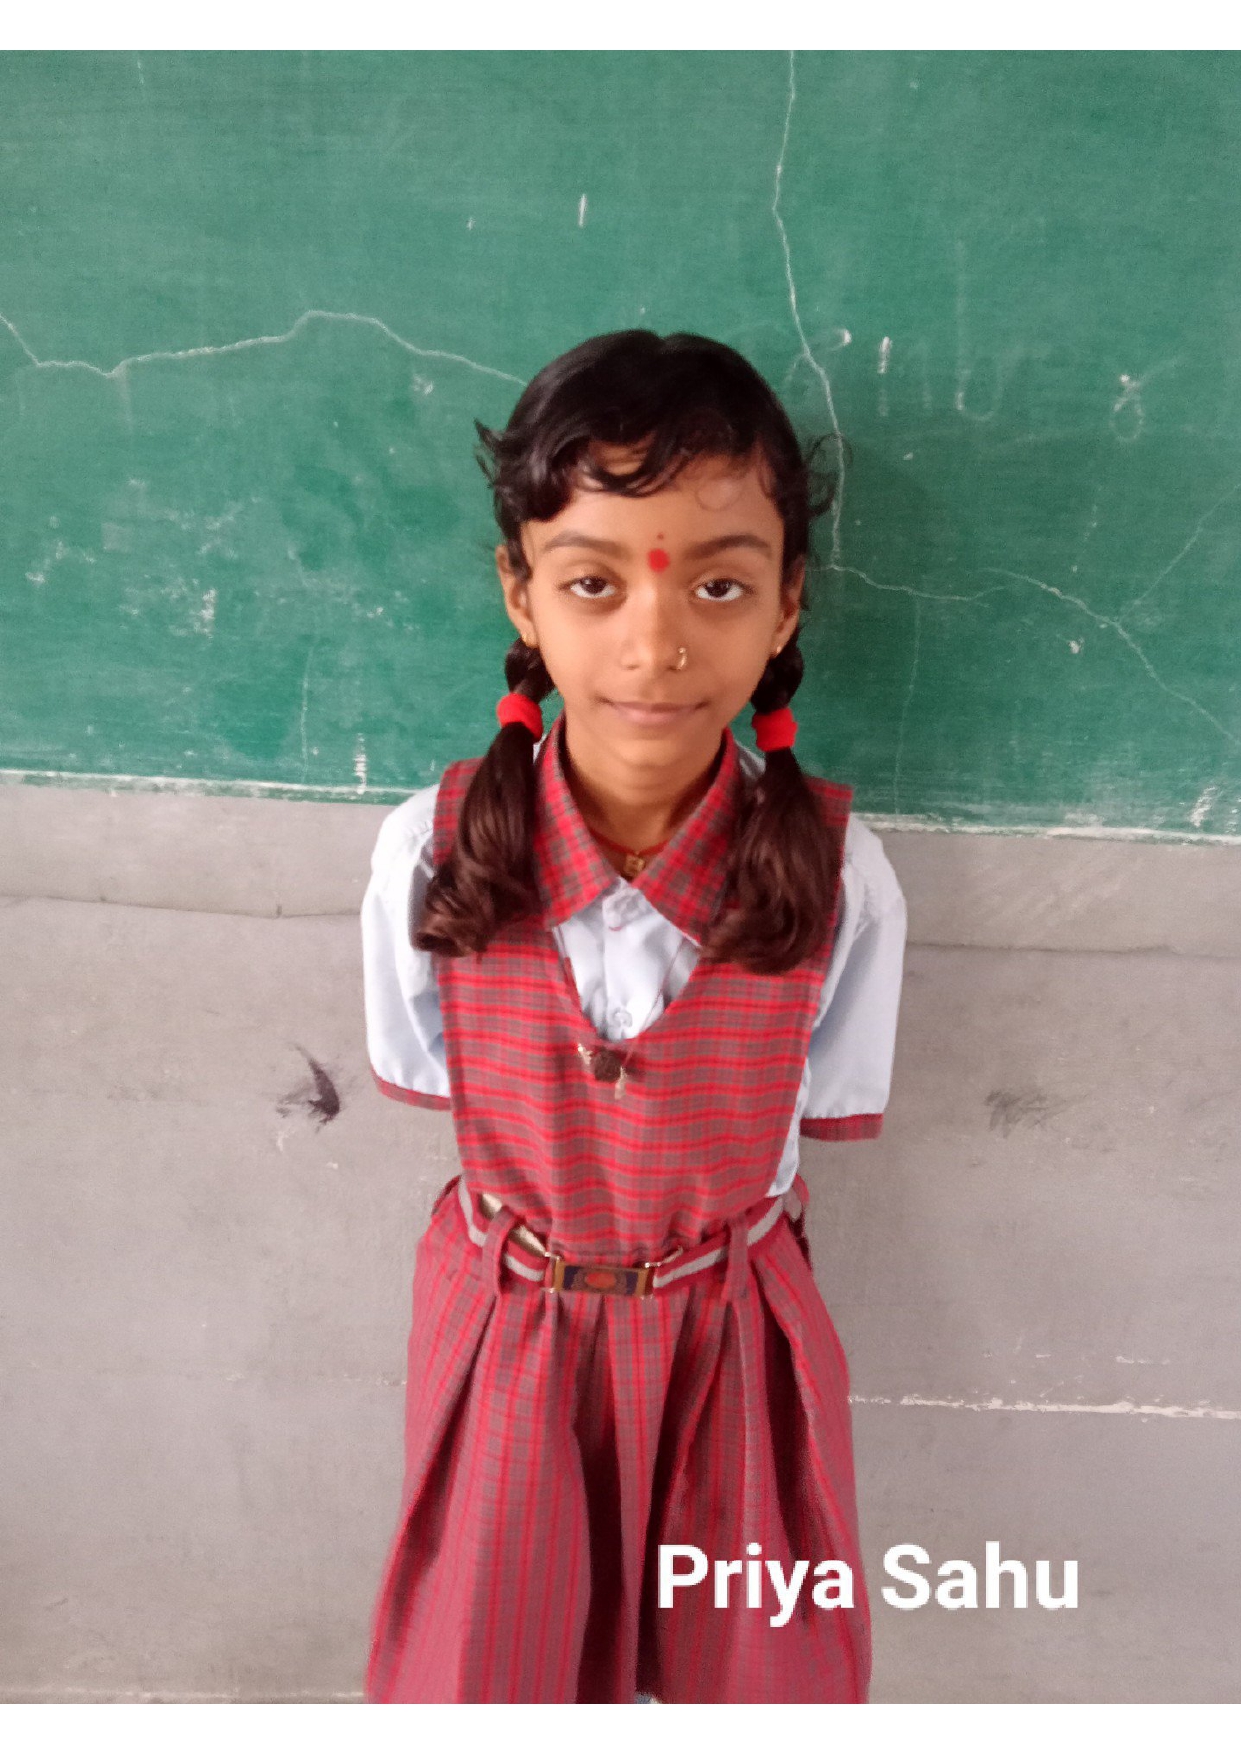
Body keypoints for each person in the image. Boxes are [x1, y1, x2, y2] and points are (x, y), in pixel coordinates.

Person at [360, 330, 907, 1703]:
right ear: (521, 593)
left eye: (719, 584)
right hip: (510, 1326)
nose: (655, 643)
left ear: (786, 604)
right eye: (592, 582)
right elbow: (434, 1074)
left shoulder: (840, 879)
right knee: (491, 1667)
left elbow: (812, 1101)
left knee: (755, 1670)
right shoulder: (431, 858)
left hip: (735, 1335)